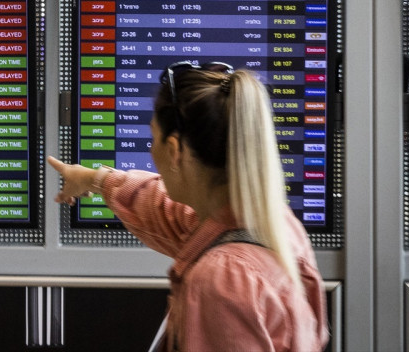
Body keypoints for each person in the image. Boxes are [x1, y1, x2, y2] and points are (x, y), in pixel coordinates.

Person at [48, 62, 327, 352]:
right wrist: (93, 179)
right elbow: (159, 207)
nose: (150, 150)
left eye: (152, 138)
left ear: (174, 150)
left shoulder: (222, 279)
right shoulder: (273, 224)